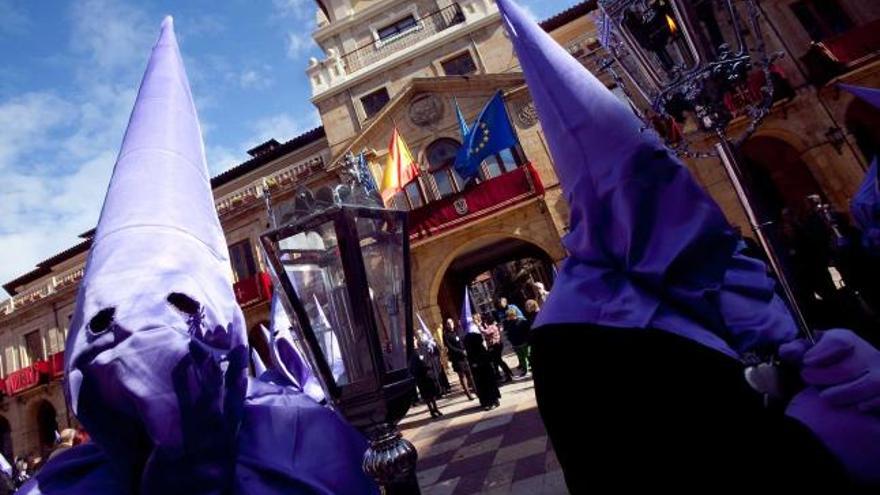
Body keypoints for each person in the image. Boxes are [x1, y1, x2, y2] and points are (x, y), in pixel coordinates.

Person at [498, 0, 880, 491]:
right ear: (594, 215)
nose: (668, 200)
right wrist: (813, 440)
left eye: (667, 173)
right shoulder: (571, 338)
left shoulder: (732, 260)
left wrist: (847, 362)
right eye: (636, 190)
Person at [16, 17, 378, 494]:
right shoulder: (303, 440)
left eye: (179, 302)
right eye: (104, 320)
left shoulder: (54, 486)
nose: (139, 335)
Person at [463, 327, 501, 411]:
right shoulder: (474, 336)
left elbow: (471, 351)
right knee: (487, 382)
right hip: (482, 362)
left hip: (480, 363)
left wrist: (474, 362)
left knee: (485, 383)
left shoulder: (469, 338)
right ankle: (493, 400)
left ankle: (490, 401)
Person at [443, 318, 474, 400]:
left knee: (469, 374)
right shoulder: (446, 335)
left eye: (451, 322)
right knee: (462, 375)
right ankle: (468, 393)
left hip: (465, 356)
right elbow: (450, 346)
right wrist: (461, 352)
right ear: (446, 325)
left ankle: (475, 390)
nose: (450, 324)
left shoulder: (458, 330)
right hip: (456, 358)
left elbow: (464, 339)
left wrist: (466, 349)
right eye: (448, 323)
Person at [475, 314, 513, 382]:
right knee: (497, 361)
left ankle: (508, 374)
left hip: (495, 346)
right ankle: (506, 373)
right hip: (494, 346)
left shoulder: (492, 327)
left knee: (498, 361)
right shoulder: (491, 326)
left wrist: (479, 325)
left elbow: (485, 332)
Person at [409, 347, 443, 418]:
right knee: (426, 395)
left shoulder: (423, 349)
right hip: (420, 377)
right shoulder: (411, 353)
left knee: (432, 393)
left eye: (415, 339)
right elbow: (411, 367)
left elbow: (429, 359)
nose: (414, 341)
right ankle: (431, 410)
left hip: (429, 375)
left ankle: (436, 408)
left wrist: (430, 367)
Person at [503, 308, 531, 376]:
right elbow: (508, 334)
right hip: (516, 344)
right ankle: (525, 370)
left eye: (510, 315)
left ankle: (529, 369)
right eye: (508, 316)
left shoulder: (522, 321)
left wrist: (528, 340)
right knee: (521, 358)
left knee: (527, 356)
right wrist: (510, 341)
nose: (509, 317)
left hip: (524, 343)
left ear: (513, 314)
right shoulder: (509, 323)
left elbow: (528, 331)